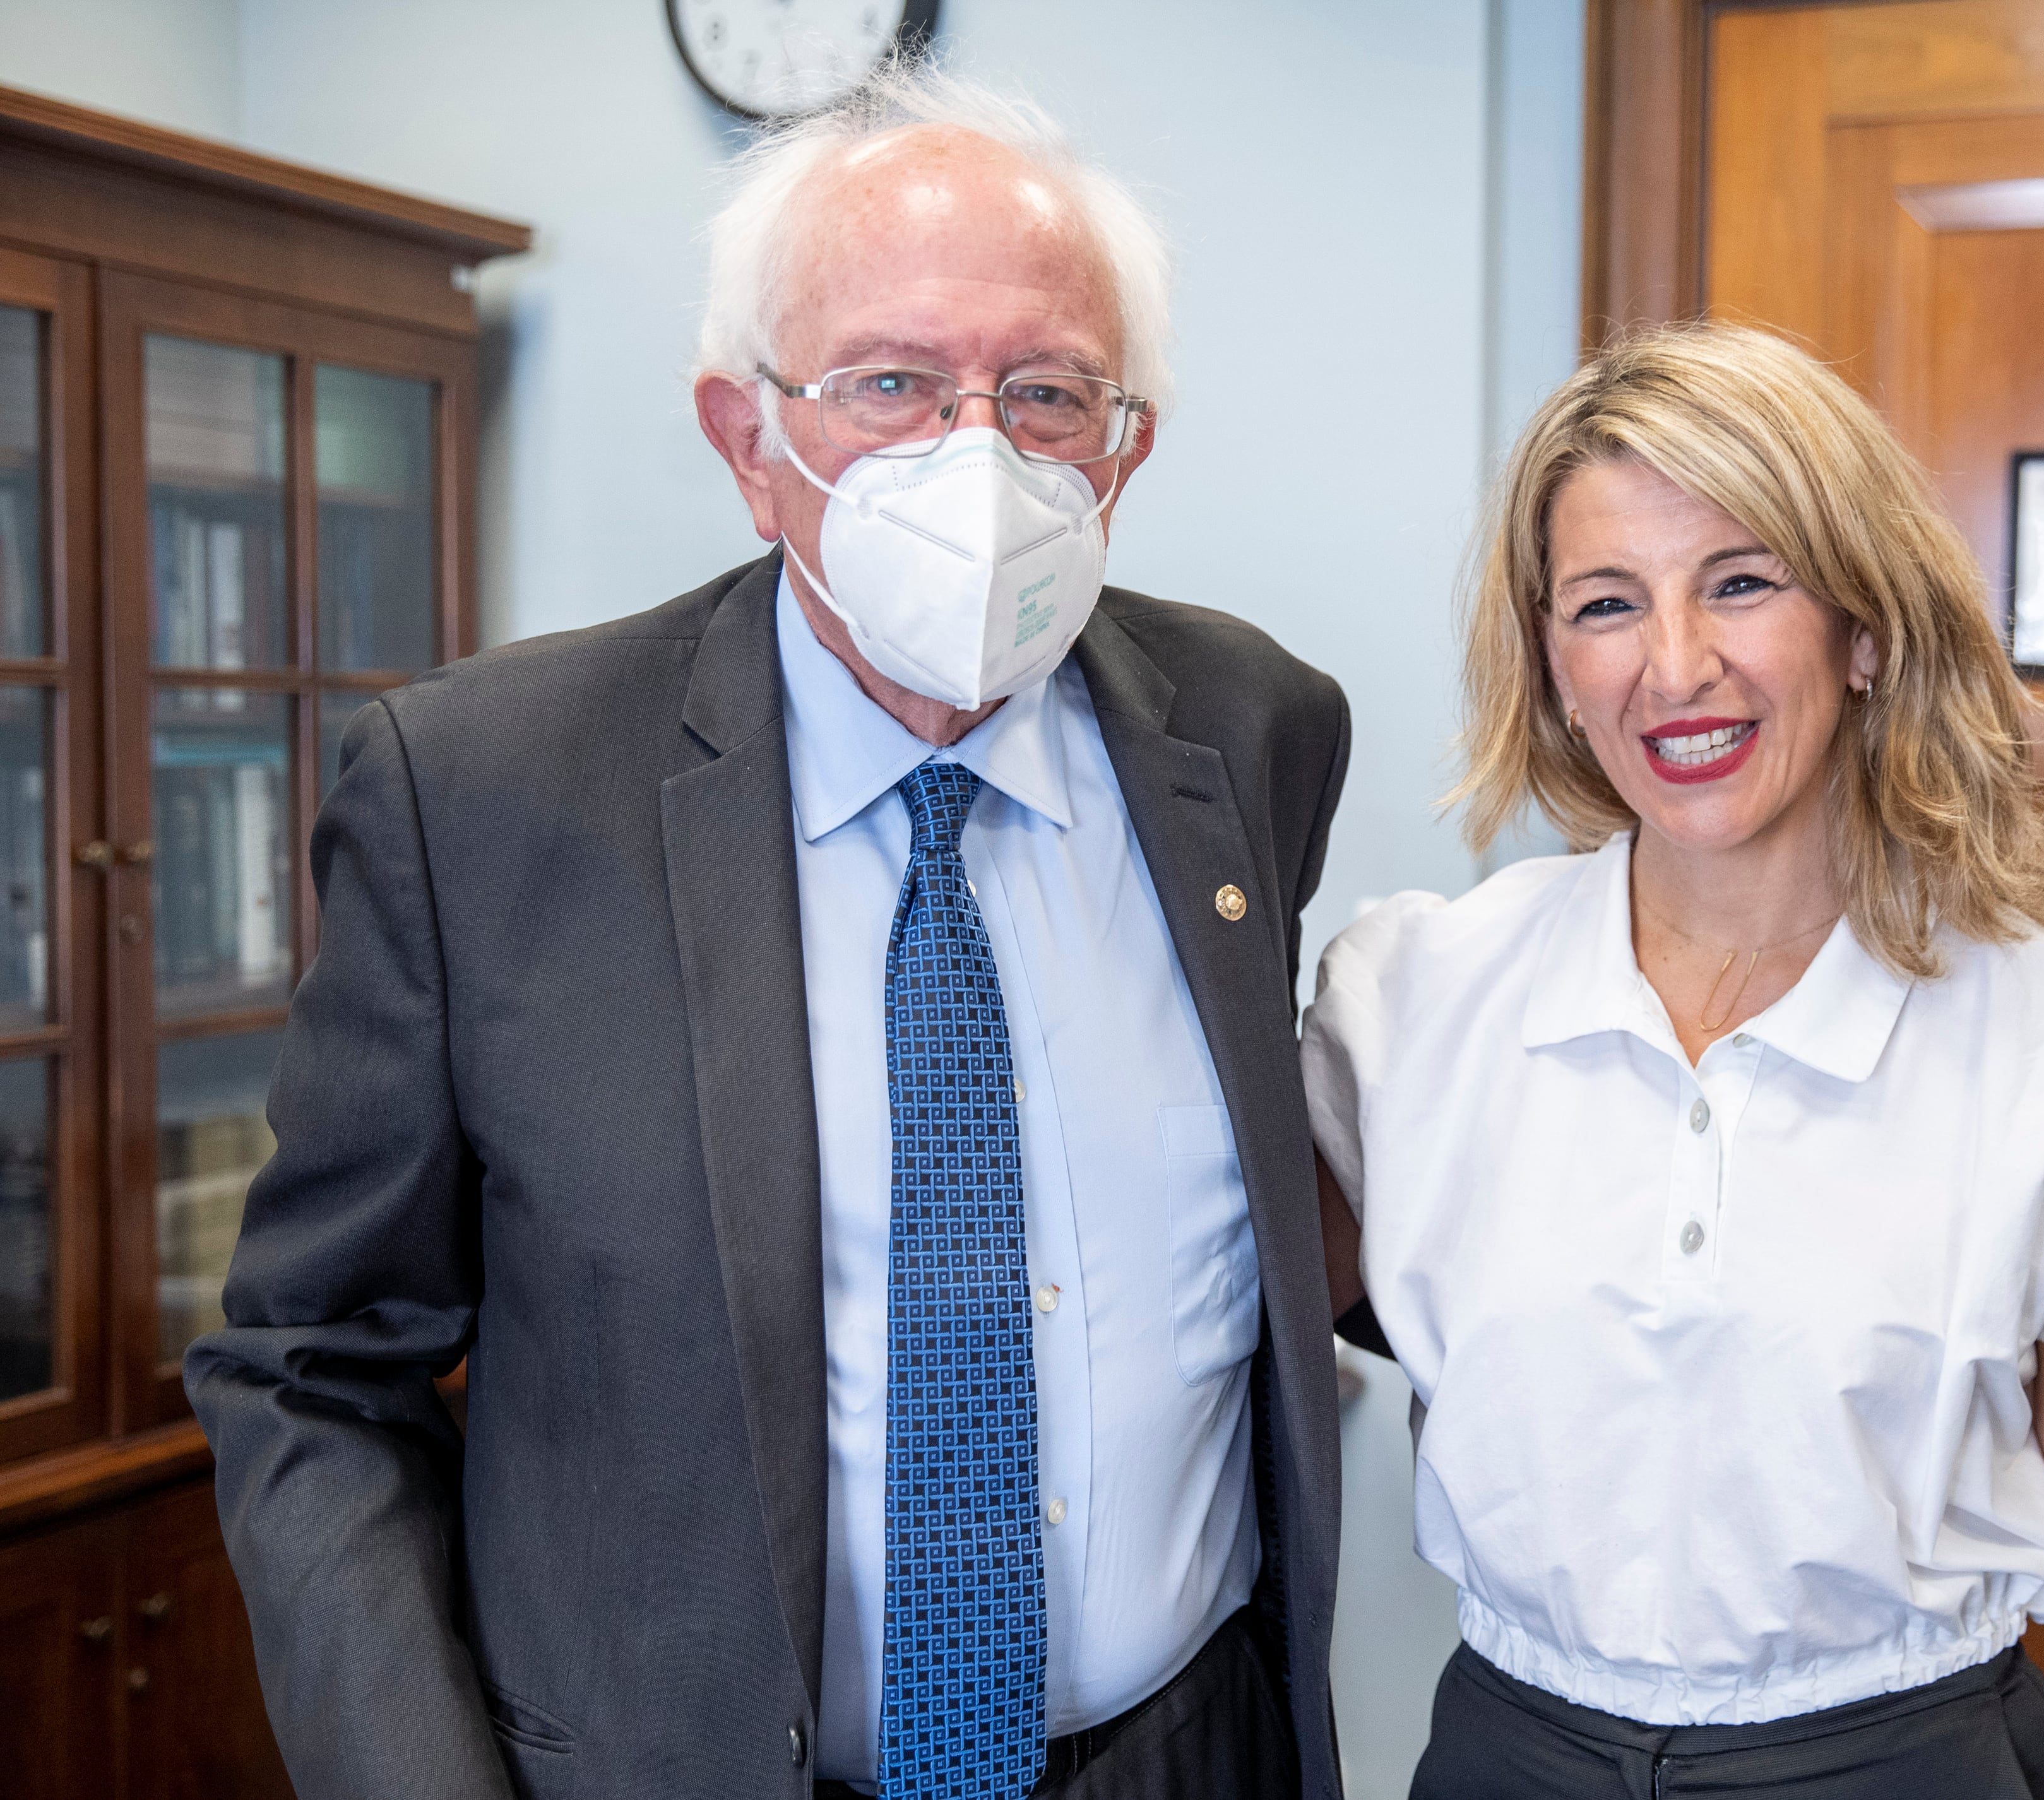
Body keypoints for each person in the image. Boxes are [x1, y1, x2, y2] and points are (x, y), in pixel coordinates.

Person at [186, 62, 1353, 1800]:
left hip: (1188, 1752)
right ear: (751, 438)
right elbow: (311, 1371)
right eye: (890, 383)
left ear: (1124, 451)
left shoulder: (1250, 731)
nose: (976, 453)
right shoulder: (484, 791)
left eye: (1042, 394)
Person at [1305, 322, 2044, 1799]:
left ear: (1864, 628)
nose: (1677, 667)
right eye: (1608, 603)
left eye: (1742, 581)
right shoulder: (1416, 1000)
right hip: (1512, 1752)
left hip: (1905, 1758)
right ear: (1551, 660)